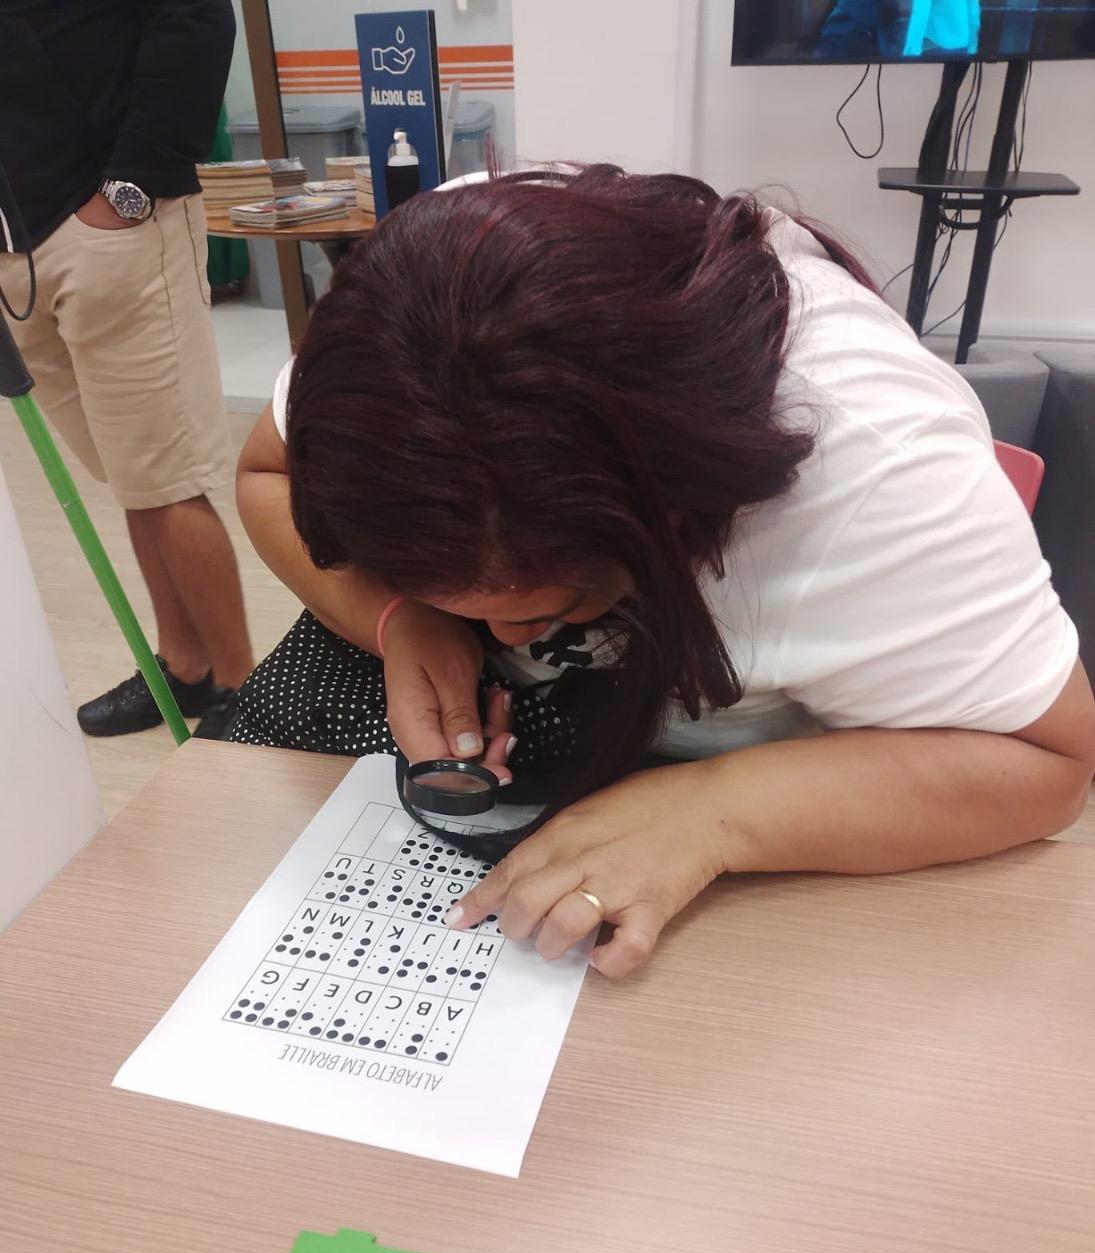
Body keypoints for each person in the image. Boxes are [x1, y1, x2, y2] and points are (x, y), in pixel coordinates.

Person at [231, 166, 1095, 978]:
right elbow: (266, 472)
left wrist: (715, 815)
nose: (505, 634)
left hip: (763, 771)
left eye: (560, 598)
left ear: (684, 512)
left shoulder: (876, 473)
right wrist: (400, 615)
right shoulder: (407, 320)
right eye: (465, 599)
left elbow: (1050, 766)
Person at [0, 0, 253, 738]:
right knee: (132, 475)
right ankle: (186, 666)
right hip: (18, 250)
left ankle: (244, 690)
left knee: (166, 478)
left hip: (111, 223)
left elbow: (196, 16)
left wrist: (133, 186)